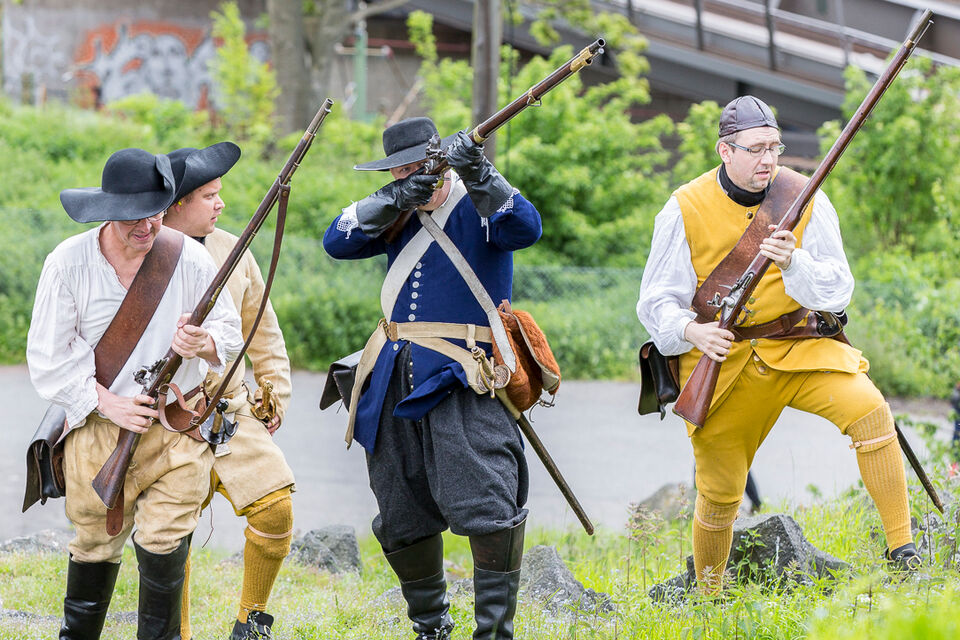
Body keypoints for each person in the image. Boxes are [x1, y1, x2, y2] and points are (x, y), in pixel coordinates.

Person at [637, 96, 918, 591]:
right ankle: (708, 599)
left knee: (871, 412)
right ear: (726, 151)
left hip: (796, 344)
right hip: (723, 362)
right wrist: (691, 331)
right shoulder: (683, 207)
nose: (768, 159)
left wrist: (793, 263)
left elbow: (838, 288)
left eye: (775, 147)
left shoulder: (804, 196)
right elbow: (656, 300)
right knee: (720, 493)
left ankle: (903, 551)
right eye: (756, 149)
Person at [323, 117, 542, 640]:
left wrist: (480, 172)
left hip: (464, 374)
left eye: (416, 169)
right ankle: (431, 626)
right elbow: (337, 240)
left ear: (441, 163)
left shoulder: (479, 203)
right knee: (400, 506)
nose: (408, 177)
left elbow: (525, 227)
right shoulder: (396, 210)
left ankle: (493, 632)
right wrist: (395, 197)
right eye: (397, 172)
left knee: (487, 502)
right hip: (393, 377)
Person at [26, 148, 243, 639]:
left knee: (166, 541)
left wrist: (202, 342)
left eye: (155, 213)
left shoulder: (188, 256)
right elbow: (48, 358)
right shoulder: (68, 263)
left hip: (175, 429)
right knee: (94, 545)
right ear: (108, 212)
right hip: (98, 430)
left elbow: (229, 332)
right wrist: (109, 403)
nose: (147, 227)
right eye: (133, 217)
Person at [163, 142, 296, 640]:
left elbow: (262, 327)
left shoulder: (234, 248)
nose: (220, 204)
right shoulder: (144, 250)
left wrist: (273, 391)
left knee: (276, 507)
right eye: (209, 196)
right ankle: (177, 631)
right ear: (177, 203)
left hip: (230, 409)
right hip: (168, 417)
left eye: (220, 193)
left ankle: (250, 621)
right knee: (168, 532)